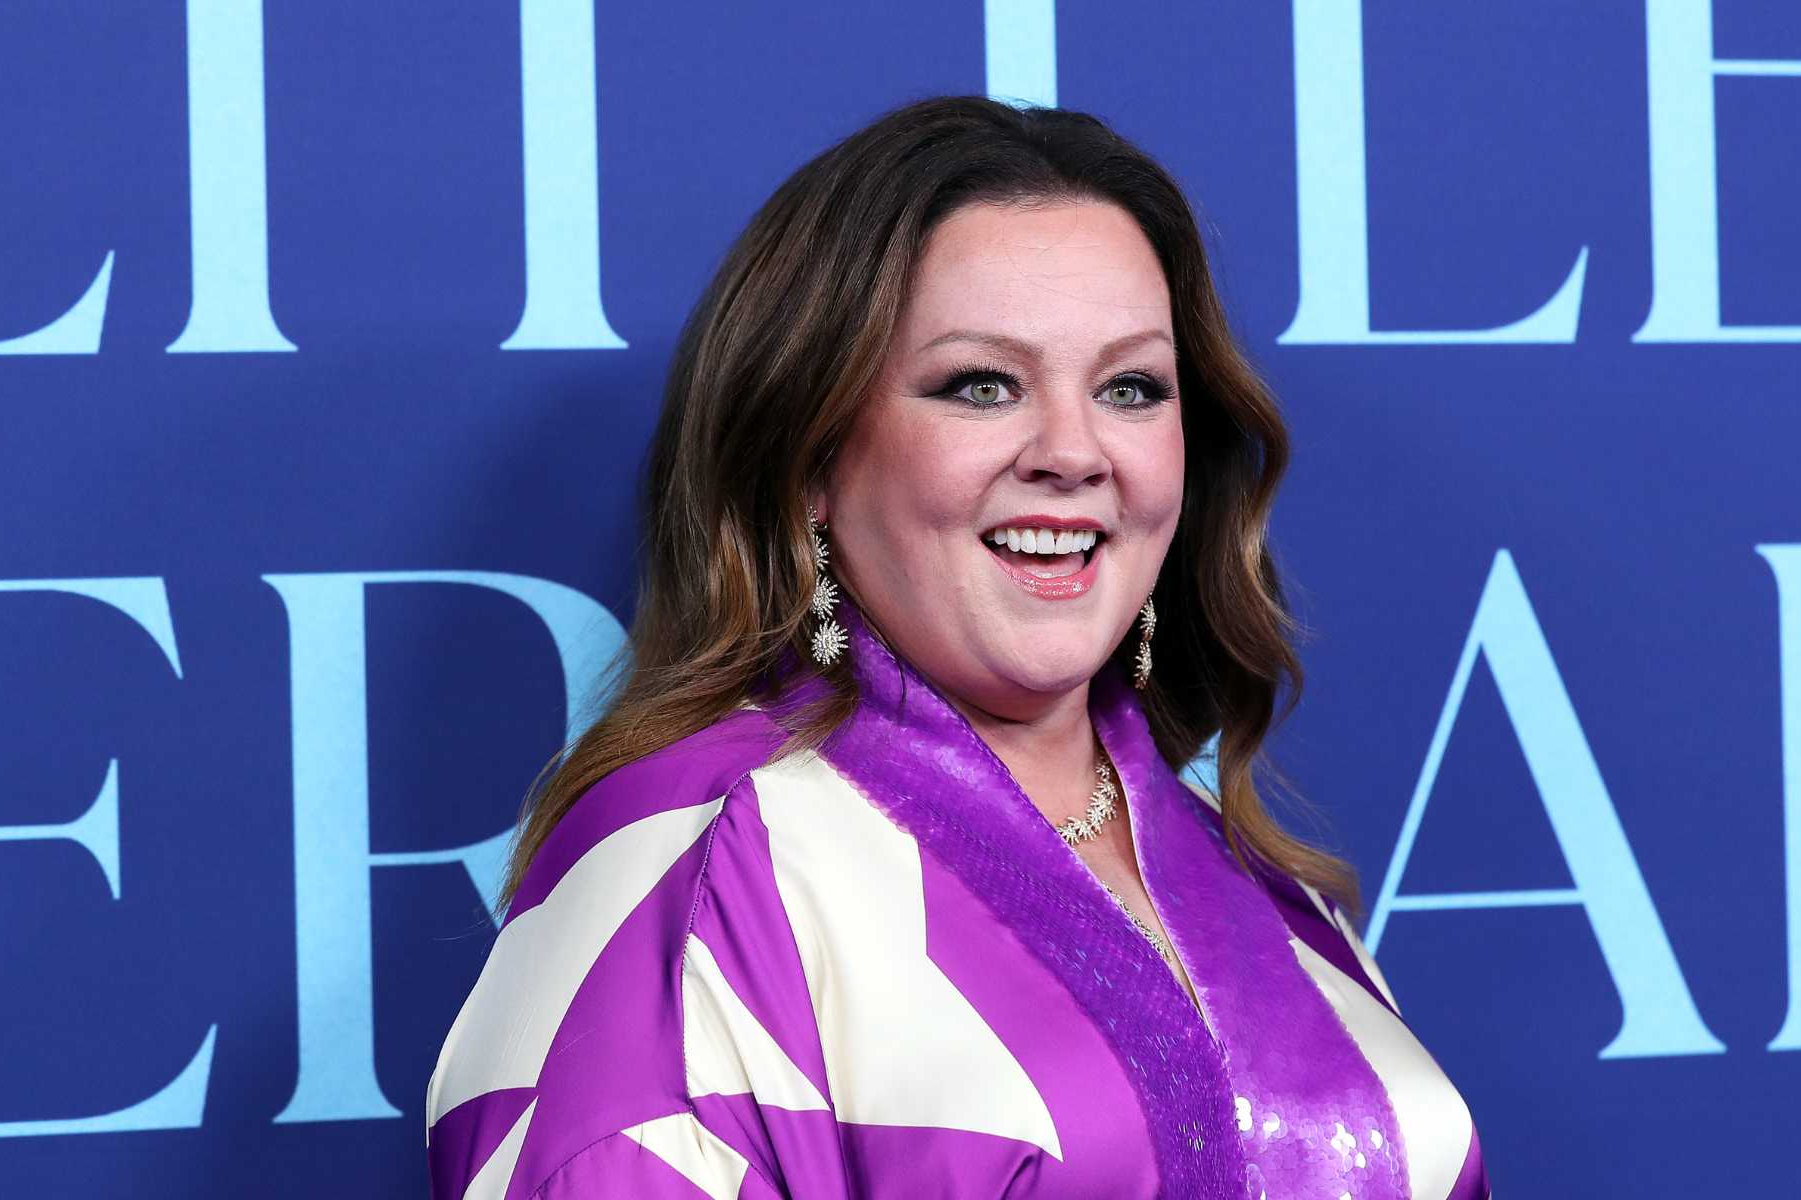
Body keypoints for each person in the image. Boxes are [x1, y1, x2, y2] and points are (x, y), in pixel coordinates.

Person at [425, 95, 1490, 1200]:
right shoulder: (693, 862)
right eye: (982, 385)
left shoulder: (1257, 883)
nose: (1074, 452)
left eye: (1130, 388)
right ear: (810, 462)